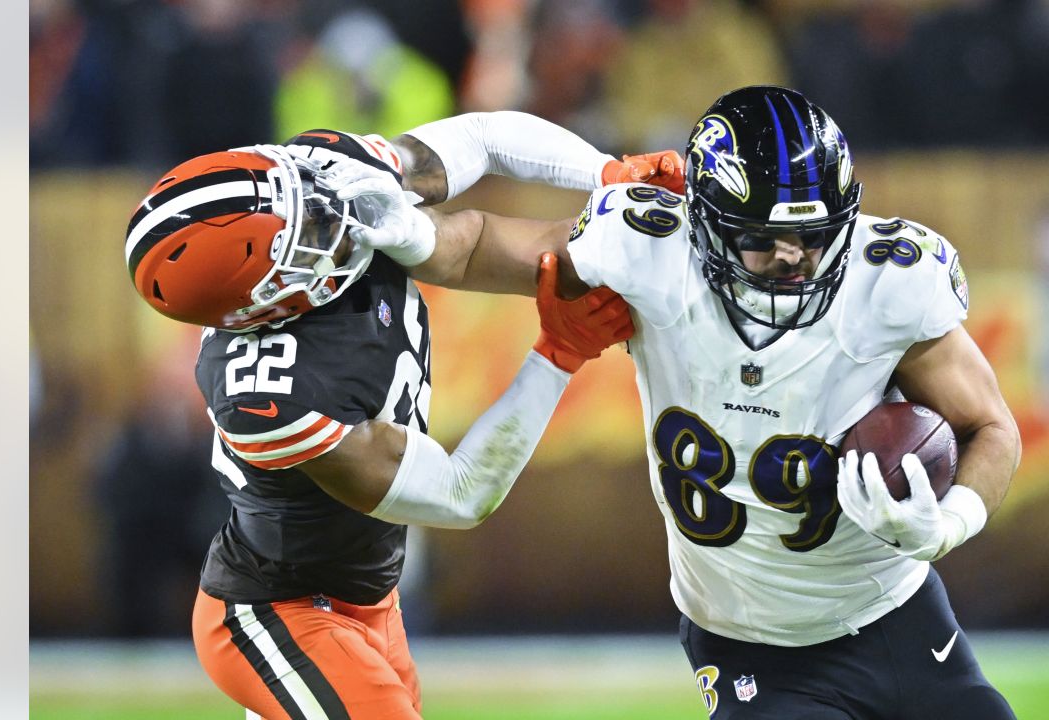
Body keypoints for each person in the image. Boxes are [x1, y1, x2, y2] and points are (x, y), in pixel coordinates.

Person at [343, 86, 1021, 718]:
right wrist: (400, 228)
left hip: (893, 607)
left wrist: (948, 524)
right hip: (749, 639)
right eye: (762, 239)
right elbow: (477, 252)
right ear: (704, 220)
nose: (794, 259)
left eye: (813, 237)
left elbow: (990, 426)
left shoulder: (891, 282)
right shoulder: (647, 247)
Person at [123, 119, 671, 718]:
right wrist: (556, 357)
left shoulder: (324, 173)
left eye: (302, 199)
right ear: (255, 307)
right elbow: (462, 493)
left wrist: (607, 174)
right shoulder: (270, 397)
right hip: (281, 609)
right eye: (299, 234)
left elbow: (484, 143)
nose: (327, 218)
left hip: (372, 597)